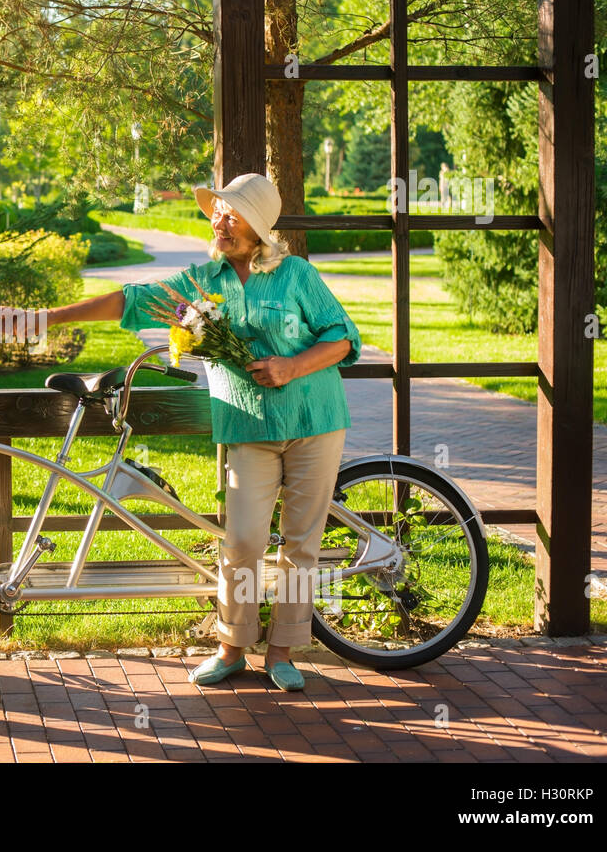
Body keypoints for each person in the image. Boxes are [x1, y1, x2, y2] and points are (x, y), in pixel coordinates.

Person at [29, 172, 361, 692]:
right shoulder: (203, 282)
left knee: (300, 543)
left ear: (258, 228)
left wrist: (291, 367)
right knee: (244, 539)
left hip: (314, 422)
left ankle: (282, 652)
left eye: (231, 214)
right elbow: (131, 299)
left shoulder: (296, 274)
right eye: (216, 212)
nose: (218, 220)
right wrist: (47, 318)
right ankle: (232, 647)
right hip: (247, 427)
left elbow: (342, 339)